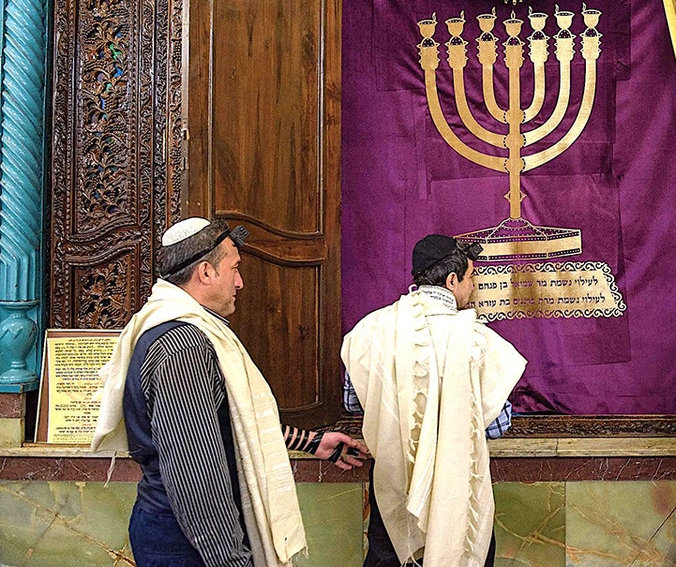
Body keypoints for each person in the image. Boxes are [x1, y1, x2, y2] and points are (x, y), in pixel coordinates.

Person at [91, 217, 367, 567]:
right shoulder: (183, 347)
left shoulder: (183, 332)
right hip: (186, 543)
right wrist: (231, 560)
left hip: (180, 535)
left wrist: (311, 442)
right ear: (206, 272)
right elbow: (195, 473)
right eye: (234, 268)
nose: (240, 282)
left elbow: (231, 423)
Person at [342, 234, 527, 567]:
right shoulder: (479, 340)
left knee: (389, 556)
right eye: (471, 278)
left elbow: (353, 403)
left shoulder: (372, 330)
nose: (473, 287)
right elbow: (497, 425)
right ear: (452, 280)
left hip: (393, 480)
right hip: (457, 482)